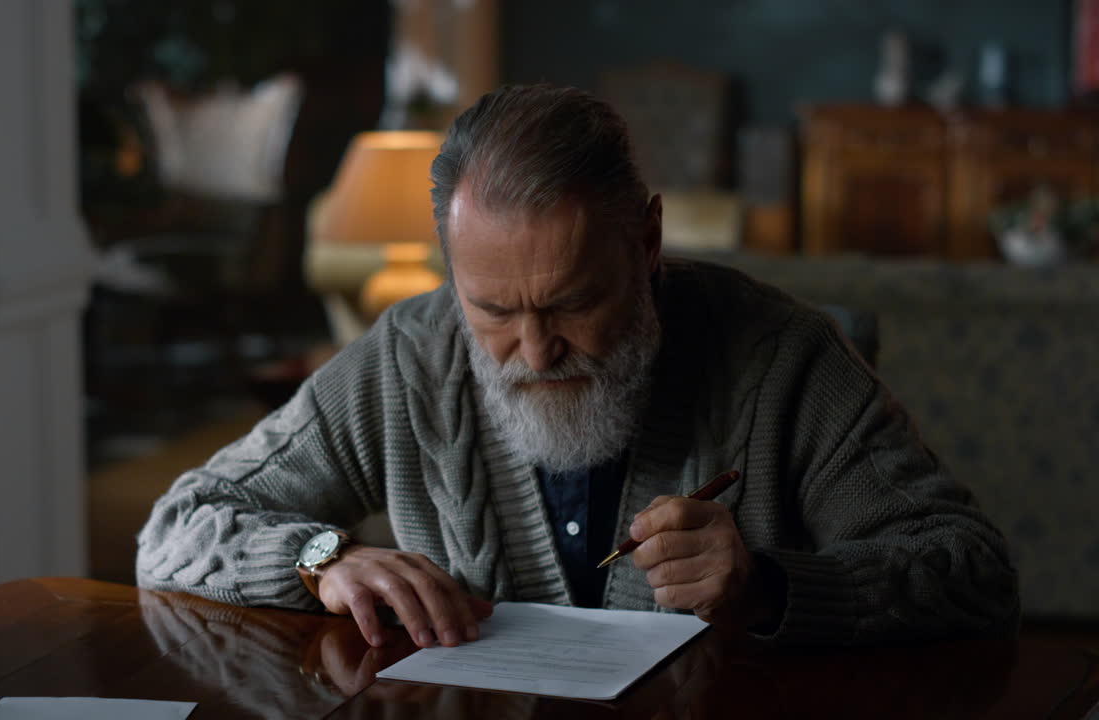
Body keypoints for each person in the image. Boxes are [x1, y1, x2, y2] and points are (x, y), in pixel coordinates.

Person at [136, 84, 1019, 650]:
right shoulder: (406, 357)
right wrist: (321, 559)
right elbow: (178, 526)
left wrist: (770, 588)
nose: (534, 349)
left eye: (570, 304)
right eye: (492, 310)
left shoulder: (782, 357)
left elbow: (974, 575)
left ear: (648, 242)